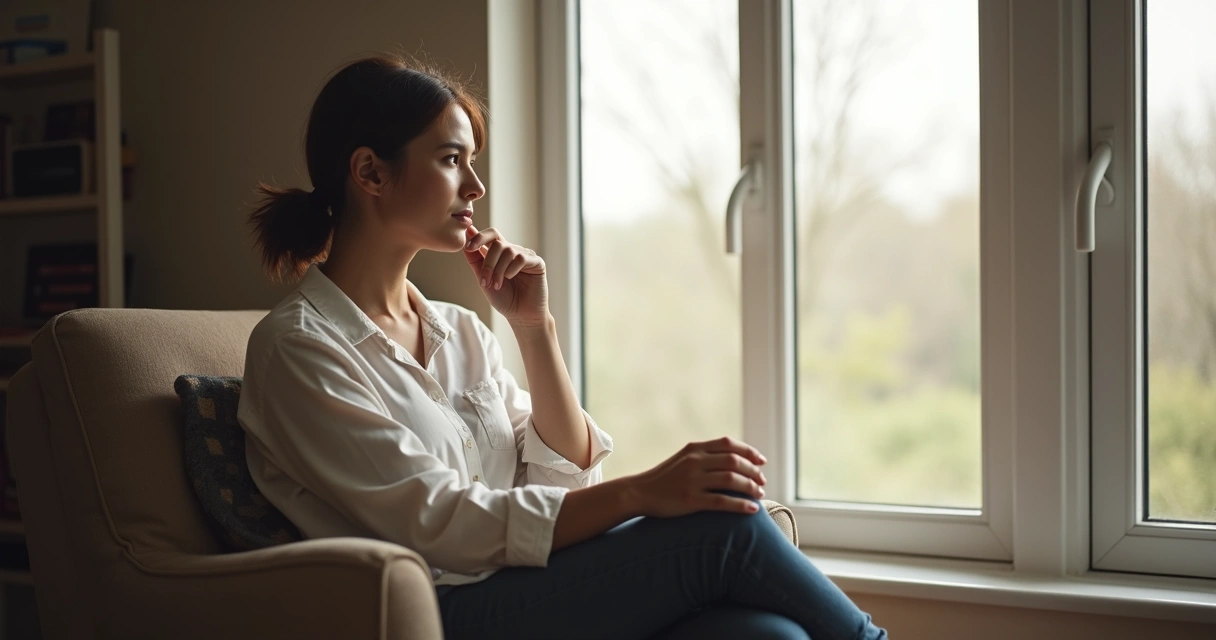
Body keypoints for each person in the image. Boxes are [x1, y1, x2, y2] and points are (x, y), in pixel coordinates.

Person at [238, 54, 887, 640]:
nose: (475, 188)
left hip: (528, 587)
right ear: (370, 173)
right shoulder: (298, 350)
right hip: (441, 615)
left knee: (768, 636)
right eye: (450, 159)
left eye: (472, 161)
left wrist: (533, 328)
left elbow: (568, 477)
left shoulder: (460, 331)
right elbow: (441, 524)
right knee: (730, 530)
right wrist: (641, 493)